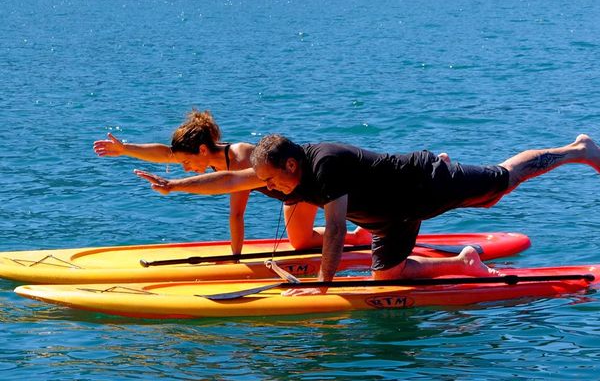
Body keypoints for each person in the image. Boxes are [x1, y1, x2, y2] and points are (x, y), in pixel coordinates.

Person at [137, 133, 600, 295]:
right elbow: (232, 180)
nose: (270, 189)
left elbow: (336, 231)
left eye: (274, 181)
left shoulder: (327, 165)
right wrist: (176, 184)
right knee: (389, 279)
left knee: (501, 183)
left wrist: (322, 286)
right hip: (388, 218)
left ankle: (578, 150)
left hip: (421, 184)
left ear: (293, 166)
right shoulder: (278, 170)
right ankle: (463, 263)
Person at [93, 109, 371, 255]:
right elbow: (165, 152)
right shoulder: (206, 154)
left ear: (202, 150)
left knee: (321, 228)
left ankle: (368, 229)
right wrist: (125, 149)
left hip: (303, 188)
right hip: (289, 197)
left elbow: (237, 214)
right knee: (300, 243)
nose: (185, 167)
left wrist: (236, 258)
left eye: (187, 162)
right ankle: (359, 235)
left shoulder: (238, 159)